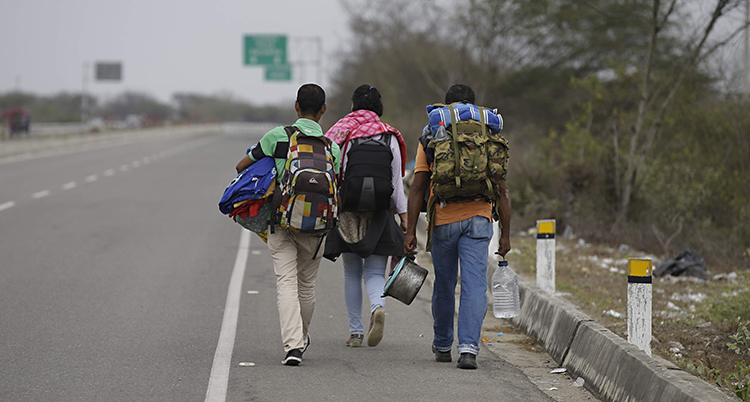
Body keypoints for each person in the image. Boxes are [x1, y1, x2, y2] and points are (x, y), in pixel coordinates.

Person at [404, 84, 511, 370]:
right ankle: (468, 350)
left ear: (446, 107)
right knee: (475, 285)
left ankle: (442, 345)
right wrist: (506, 235)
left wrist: (410, 230)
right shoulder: (490, 132)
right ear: (474, 106)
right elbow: (503, 189)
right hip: (479, 218)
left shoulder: (432, 132)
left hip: (444, 218)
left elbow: (417, 187)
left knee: (445, 283)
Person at [235, 83, 341, 366]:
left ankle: (293, 346)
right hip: (318, 227)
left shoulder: (277, 137)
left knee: (286, 282)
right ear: (323, 110)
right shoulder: (333, 147)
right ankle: (302, 339)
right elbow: (336, 185)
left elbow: (242, 166)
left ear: (296, 106)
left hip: (281, 222)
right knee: (307, 285)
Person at [323, 85, 408, 348]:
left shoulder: (343, 133)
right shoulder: (390, 135)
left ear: (353, 106)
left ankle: (356, 332)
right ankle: (377, 308)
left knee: (351, 272)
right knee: (374, 272)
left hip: (349, 211)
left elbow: (336, 174)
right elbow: (396, 182)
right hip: (380, 212)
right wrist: (405, 218)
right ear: (378, 108)